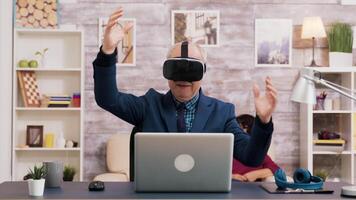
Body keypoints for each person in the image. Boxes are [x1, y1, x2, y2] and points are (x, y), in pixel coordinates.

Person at [93, 7, 278, 171]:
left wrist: (263, 121)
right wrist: (108, 51)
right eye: (177, 69)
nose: (183, 78)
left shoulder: (222, 113)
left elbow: (252, 158)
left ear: (203, 72)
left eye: (192, 69)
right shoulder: (148, 106)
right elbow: (107, 98)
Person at [232, 114, 280, 182]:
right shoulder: (228, 152)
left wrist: (256, 174)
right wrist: (231, 177)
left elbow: (277, 170)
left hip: (252, 189)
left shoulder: (258, 153)